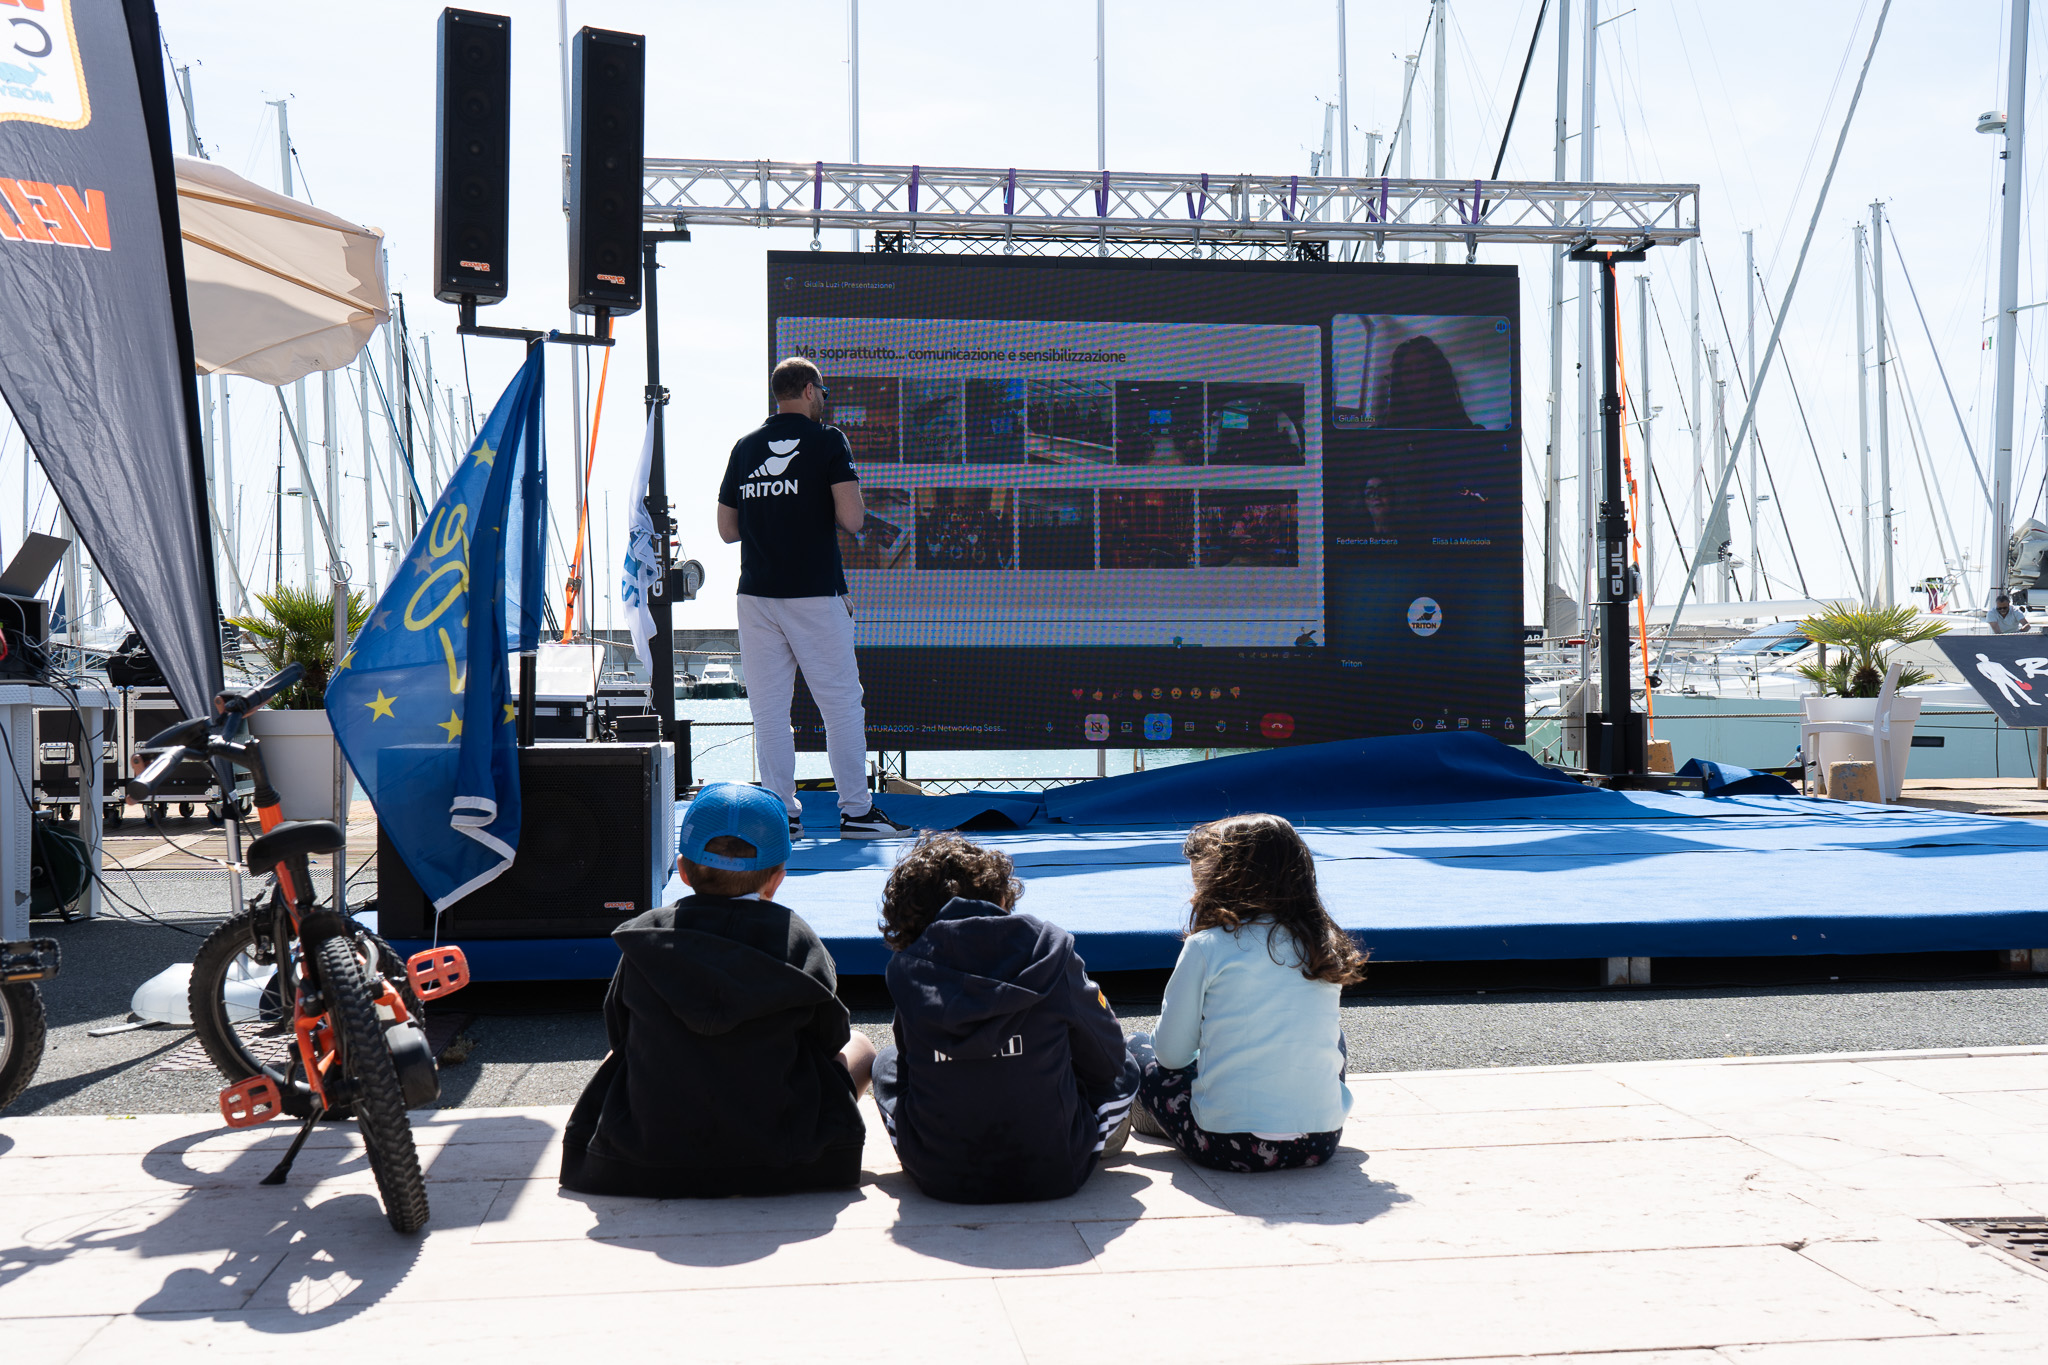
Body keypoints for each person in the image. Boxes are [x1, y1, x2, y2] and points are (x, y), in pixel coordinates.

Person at [560, 782, 876, 1198]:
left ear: (683, 870)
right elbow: (829, 1039)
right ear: (777, 879)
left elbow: (620, 1034)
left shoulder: (645, 938)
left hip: (645, 1160)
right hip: (787, 1159)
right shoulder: (798, 939)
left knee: (619, 1054)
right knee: (861, 1045)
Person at [871, 833, 1139, 1203]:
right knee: (1126, 1057)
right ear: (1000, 897)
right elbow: (1108, 1061)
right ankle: (1097, 1132)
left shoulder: (909, 969)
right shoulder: (1049, 953)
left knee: (887, 1061)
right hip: (1055, 1168)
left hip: (941, 1175)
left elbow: (910, 1067)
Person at [718, 356, 911, 840]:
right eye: (823, 391)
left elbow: (726, 530)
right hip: (814, 592)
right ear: (808, 390)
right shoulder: (828, 440)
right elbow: (854, 519)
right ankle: (857, 814)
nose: (824, 399)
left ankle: (781, 816)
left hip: (756, 595)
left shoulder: (744, 447)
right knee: (841, 708)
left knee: (769, 713)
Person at [1126, 813, 1368, 1174]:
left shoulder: (1207, 945)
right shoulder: (1321, 945)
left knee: (1135, 1046)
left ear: (1221, 880)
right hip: (1319, 1143)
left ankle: (1148, 1118)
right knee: (1335, 1038)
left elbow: (1171, 1056)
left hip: (1225, 1145)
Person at [1378, 334, 1483, 430]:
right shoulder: (1386, 424)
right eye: (1407, 371)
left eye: (1422, 369)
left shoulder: (1459, 424)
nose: (1414, 378)